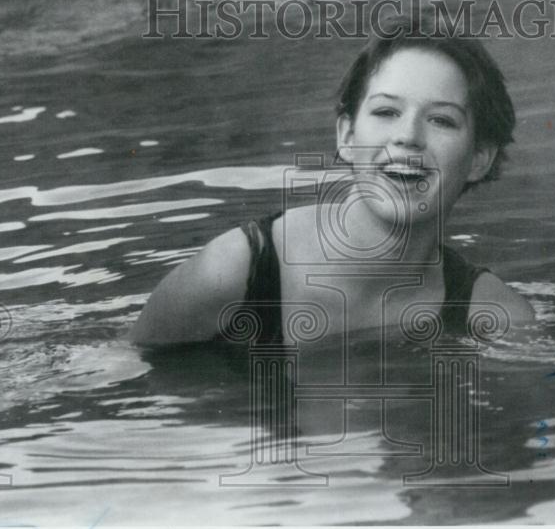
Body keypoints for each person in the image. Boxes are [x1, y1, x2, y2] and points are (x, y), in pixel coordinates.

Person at [131, 19, 534, 346]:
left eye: (442, 120)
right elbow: (129, 377)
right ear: (347, 135)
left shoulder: (492, 314)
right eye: (386, 112)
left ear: (480, 158)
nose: (408, 136)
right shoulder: (237, 271)